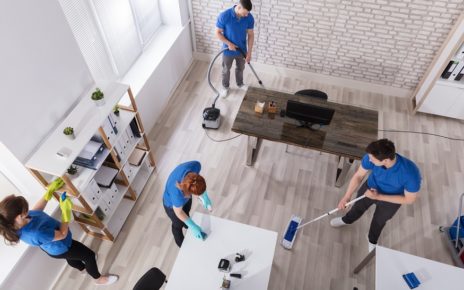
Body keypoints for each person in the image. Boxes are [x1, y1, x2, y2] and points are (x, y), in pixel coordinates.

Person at [0, 178, 118, 286]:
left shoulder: (21, 220)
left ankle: (83, 269)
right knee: (89, 256)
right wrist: (65, 213)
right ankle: (98, 279)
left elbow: (37, 211)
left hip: (55, 248)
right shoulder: (35, 233)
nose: (28, 210)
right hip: (61, 245)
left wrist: (48, 193)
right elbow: (62, 234)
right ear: (18, 217)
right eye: (25, 210)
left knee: (71, 258)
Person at [330, 139, 421, 252]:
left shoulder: (411, 173)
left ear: (386, 160)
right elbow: (359, 175)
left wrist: (378, 197)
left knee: (379, 221)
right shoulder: (371, 157)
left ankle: (372, 240)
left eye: (372, 159)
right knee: (357, 208)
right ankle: (346, 220)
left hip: (392, 200)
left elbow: (409, 199)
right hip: (370, 188)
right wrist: (346, 196)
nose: (369, 160)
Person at [163, 161, 212, 247]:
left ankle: (187, 224)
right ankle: (182, 246)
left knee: (187, 211)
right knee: (178, 224)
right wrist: (193, 226)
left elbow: (197, 183)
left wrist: (205, 196)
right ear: (187, 192)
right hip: (171, 206)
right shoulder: (176, 194)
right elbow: (178, 212)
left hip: (184, 198)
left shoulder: (196, 166)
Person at [215, 0, 255, 98]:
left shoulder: (249, 17)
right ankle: (225, 87)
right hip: (227, 50)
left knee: (240, 68)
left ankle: (240, 84)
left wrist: (249, 53)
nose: (246, 15)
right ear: (238, 7)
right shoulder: (224, 16)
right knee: (226, 69)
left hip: (241, 50)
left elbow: (250, 35)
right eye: (244, 13)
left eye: (247, 13)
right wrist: (229, 43)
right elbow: (217, 33)